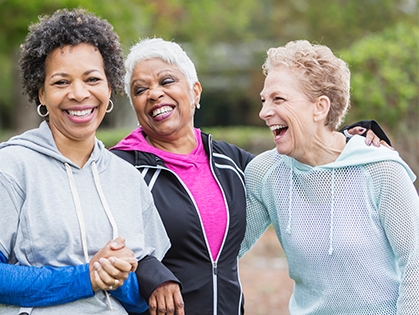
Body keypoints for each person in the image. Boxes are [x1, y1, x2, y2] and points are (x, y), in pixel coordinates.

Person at [110, 37, 390, 315]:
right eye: (140, 89)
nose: (154, 93)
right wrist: (149, 272)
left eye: (166, 81)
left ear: (196, 92)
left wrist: (348, 137)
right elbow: (101, 239)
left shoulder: (229, 161)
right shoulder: (119, 167)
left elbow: (299, 163)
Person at [0, 9, 171, 315]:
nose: (79, 93)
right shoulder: (13, 167)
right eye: (61, 82)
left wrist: (117, 277)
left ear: (110, 87)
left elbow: (136, 298)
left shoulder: (127, 179)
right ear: (41, 93)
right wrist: (86, 276)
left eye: (92, 79)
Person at [239, 40, 419, 314]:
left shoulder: (381, 170)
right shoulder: (265, 173)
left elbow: (415, 265)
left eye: (279, 99)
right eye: (264, 100)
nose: (264, 112)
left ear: (320, 107)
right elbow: (224, 249)